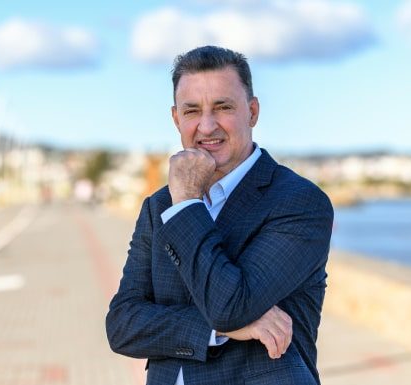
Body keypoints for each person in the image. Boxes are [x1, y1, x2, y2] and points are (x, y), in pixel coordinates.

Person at [105, 46, 334, 385]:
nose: (207, 126)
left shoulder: (299, 202)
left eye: (223, 107)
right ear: (176, 118)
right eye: (192, 110)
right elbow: (123, 326)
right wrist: (216, 329)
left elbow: (230, 306)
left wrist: (185, 205)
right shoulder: (158, 207)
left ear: (252, 112)